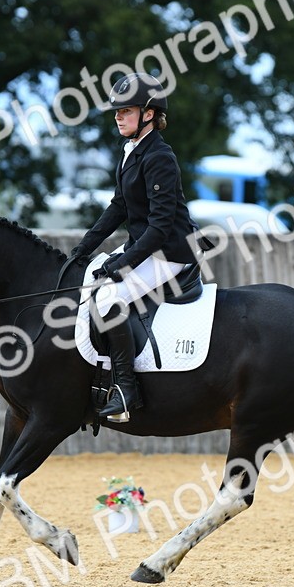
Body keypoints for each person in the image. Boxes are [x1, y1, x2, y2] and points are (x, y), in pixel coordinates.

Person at [69, 72, 211, 423]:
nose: (117, 116)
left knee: (107, 298)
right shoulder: (131, 150)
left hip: (173, 252)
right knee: (92, 281)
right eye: (116, 112)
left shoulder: (159, 156)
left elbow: (161, 228)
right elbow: (119, 206)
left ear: (148, 114)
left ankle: (126, 390)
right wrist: (84, 247)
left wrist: (125, 263)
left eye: (126, 111)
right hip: (149, 245)